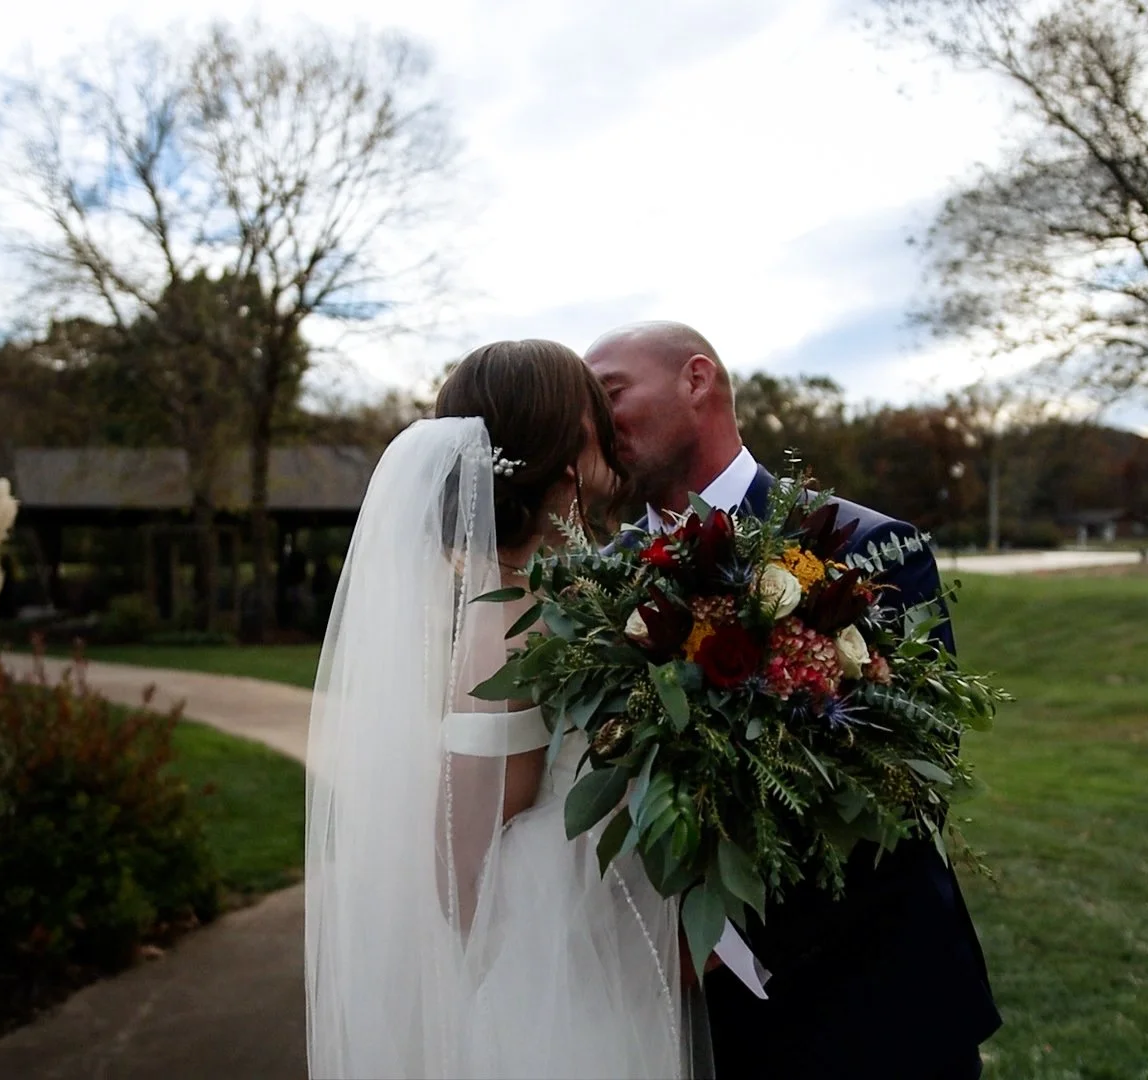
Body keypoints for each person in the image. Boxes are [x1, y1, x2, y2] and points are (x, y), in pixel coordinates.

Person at [585, 321, 1001, 1080]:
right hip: (674, 1030)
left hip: (875, 1011)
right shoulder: (598, 585)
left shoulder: (869, 548)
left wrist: (721, 945)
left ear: (697, 380)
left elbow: (905, 785)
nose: (593, 421)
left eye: (609, 394)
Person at [304, 339, 704, 1079]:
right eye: (597, 412)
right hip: (554, 983)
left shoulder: (554, 599)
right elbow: (460, 861)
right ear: (568, 448)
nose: (612, 433)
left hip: (599, 949)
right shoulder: (508, 623)